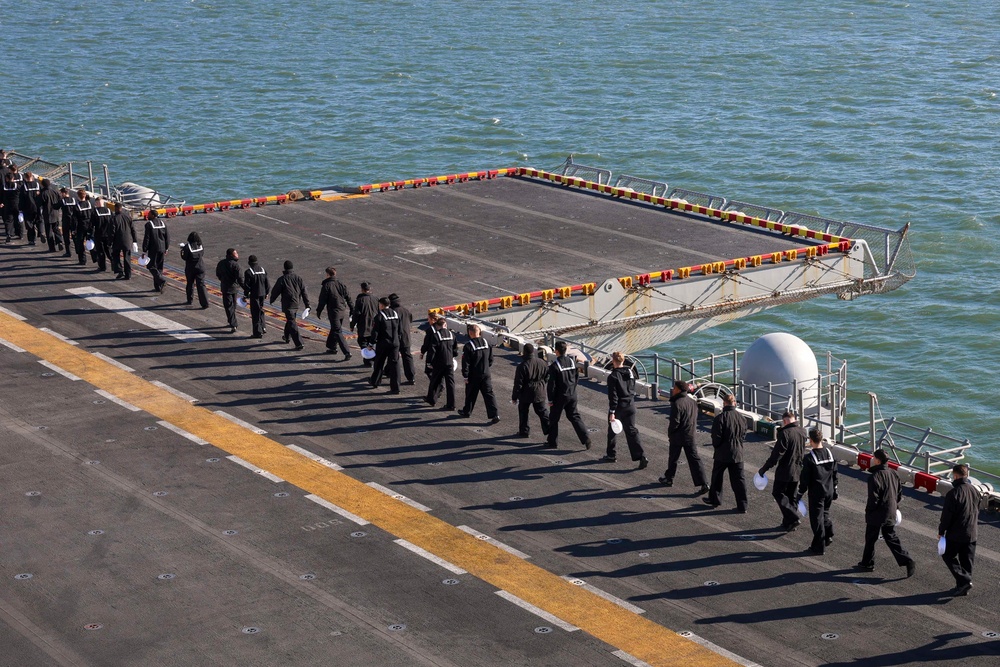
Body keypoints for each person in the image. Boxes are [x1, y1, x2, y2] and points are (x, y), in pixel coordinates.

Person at [855, 449, 915, 577]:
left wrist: (870, 511)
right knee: (890, 537)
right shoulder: (894, 473)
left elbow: (873, 498)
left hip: (877, 513)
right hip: (891, 510)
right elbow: (899, 494)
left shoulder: (874, 476)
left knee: (871, 538)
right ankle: (907, 560)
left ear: (877, 460)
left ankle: (868, 563)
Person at [758, 410, 807, 531]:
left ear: (784, 421)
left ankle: (793, 518)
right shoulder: (803, 431)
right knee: (792, 497)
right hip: (797, 469)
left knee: (778, 493)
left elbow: (777, 454)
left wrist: (764, 468)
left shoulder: (785, 433)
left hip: (785, 470)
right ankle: (788, 523)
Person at [938, 463, 981, 596]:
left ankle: (965, 581)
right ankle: (962, 586)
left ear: (955, 475)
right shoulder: (975, 490)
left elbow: (946, 516)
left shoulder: (953, 493)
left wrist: (941, 531)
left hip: (957, 533)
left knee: (947, 555)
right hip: (972, 532)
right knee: (967, 560)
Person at [659, 380, 708, 493]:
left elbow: (674, 422)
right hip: (690, 434)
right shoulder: (692, 402)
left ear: (679, 390)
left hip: (678, 436)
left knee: (673, 458)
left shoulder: (677, 403)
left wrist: (671, 433)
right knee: (694, 459)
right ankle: (704, 483)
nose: (673, 390)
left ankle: (669, 478)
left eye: (674, 388)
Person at [795, 429, 838, 555]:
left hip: (817, 493)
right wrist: (835, 488)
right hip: (829, 490)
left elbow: (805, 479)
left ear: (811, 440)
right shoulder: (830, 454)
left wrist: (800, 493)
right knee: (825, 514)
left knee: (816, 520)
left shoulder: (809, 458)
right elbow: (835, 473)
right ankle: (828, 534)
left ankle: (819, 546)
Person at [703, 393, 748, 512]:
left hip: (722, 453)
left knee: (717, 477)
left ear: (724, 403)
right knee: (739, 480)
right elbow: (743, 434)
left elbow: (716, 437)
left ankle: (715, 499)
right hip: (738, 453)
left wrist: (717, 446)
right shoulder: (742, 417)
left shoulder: (720, 418)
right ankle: (742, 505)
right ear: (735, 403)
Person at [602, 351, 648, 468]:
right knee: (631, 431)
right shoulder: (630, 372)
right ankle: (641, 456)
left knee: (612, 430)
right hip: (631, 404)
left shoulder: (612, 376)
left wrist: (612, 412)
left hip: (619, 407)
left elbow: (613, 396)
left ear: (613, 361)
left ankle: (611, 455)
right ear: (623, 361)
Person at [545, 341, 590, 449]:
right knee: (574, 416)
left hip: (560, 396)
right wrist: (572, 389)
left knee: (554, 419)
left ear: (556, 351)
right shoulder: (572, 361)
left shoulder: (554, 366)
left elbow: (551, 385)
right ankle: (586, 438)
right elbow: (576, 377)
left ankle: (553, 442)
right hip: (572, 394)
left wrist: (550, 399)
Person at [459, 324, 499, 422]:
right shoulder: (487, 343)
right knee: (489, 394)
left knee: (470, 394)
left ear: (470, 333)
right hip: (486, 373)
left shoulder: (468, 346)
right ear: (479, 332)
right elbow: (491, 359)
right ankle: (495, 415)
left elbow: (466, 363)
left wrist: (465, 375)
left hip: (474, 375)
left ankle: (467, 411)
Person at [268, 260, 308, 350]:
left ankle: (299, 343)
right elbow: (304, 292)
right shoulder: (298, 278)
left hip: (287, 304)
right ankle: (286, 337)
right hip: (296, 303)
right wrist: (307, 305)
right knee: (291, 320)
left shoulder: (282, 279)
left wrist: (272, 300)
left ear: (284, 268)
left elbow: (275, 291)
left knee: (291, 322)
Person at [511, 344, 549, 438]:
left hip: (526, 392)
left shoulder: (522, 366)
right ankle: (549, 428)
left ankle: (524, 431)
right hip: (540, 390)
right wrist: (542, 383)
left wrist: (514, 397)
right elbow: (547, 375)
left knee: (523, 411)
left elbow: (518, 384)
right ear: (533, 351)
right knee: (542, 411)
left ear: (524, 352)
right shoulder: (542, 362)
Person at [316, 267, 354, 358]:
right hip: (342, 310)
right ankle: (332, 346)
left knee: (337, 331)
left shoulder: (327, 285)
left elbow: (322, 300)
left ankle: (347, 352)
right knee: (335, 328)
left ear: (327, 274)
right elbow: (348, 297)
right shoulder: (341, 284)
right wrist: (352, 308)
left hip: (334, 312)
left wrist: (319, 311)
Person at [369, 296, 401, 392]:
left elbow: (375, 332)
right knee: (395, 366)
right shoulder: (395, 314)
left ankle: (376, 381)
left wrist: (371, 343)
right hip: (395, 343)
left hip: (383, 344)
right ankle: (396, 388)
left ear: (382, 305)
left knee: (379, 363)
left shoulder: (379, 316)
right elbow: (399, 329)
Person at [424, 317, 457, 409]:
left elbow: (432, 351)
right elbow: (455, 350)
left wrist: (429, 362)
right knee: (450, 384)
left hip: (439, 362)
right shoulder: (452, 335)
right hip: (449, 362)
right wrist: (452, 356)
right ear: (445, 325)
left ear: (438, 326)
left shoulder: (436, 335)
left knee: (435, 381)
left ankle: (432, 400)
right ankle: (451, 404)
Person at [215, 248, 245, 332]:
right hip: (234, 288)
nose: (237, 255)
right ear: (232, 255)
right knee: (233, 305)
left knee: (228, 306)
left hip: (225, 287)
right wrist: (246, 289)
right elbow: (240, 278)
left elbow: (218, 274)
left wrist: (223, 280)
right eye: (236, 253)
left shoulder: (221, 263)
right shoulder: (236, 265)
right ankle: (232, 322)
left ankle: (232, 323)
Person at [389, 293, 416, 384]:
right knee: (407, 357)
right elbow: (410, 320)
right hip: (406, 337)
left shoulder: (392, 312)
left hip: (395, 338)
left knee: (393, 357)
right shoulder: (405, 310)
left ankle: (392, 375)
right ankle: (411, 377)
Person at [350, 282, 378, 367]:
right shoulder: (375, 299)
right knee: (372, 342)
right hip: (374, 325)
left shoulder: (360, 300)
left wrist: (352, 325)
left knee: (363, 342)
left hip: (364, 325)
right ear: (370, 289)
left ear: (362, 289)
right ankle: (373, 359)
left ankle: (368, 360)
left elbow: (356, 314)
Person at [141, 209, 169, 290]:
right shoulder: (163, 223)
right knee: (159, 268)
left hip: (154, 249)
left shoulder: (149, 225)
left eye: (149, 214)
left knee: (151, 266)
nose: (147, 215)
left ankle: (161, 280)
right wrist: (166, 248)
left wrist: (144, 250)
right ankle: (158, 287)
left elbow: (147, 238)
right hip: (162, 248)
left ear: (153, 215)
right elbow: (167, 237)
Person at [243, 255, 270, 337]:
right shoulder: (263, 270)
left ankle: (257, 332)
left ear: (249, 262)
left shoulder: (248, 272)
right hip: (262, 294)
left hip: (254, 295)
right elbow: (267, 283)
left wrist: (246, 295)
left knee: (255, 313)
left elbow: (247, 286)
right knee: (261, 310)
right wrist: (267, 293)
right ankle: (263, 326)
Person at [180, 232, 209, 308]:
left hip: (190, 268)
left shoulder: (187, 247)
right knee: (201, 285)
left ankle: (190, 300)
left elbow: (184, 257)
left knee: (190, 284)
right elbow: (202, 254)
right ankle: (205, 303)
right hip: (200, 267)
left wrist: (182, 250)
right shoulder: (200, 245)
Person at [108, 203, 137, 280]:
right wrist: (134, 240)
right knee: (127, 258)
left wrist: (110, 242)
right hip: (127, 240)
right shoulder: (128, 217)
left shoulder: (113, 218)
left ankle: (119, 270)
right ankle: (128, 275)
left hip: (117, 241)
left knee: (115, 256)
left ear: (116, 208)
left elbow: (112, 232)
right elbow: (133, 230)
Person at [37, 178, 63, 253]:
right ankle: (59, 241)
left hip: (47, 214)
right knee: (56, 229)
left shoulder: (43, 193)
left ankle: (52, 248)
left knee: (49, 231)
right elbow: (60, 200)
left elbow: (39, 204)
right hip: (55, 213)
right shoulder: (55, 191)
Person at [89, 196, 113, 271]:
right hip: (108, 234)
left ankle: (102, 267)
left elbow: (91, 224)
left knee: (100, 251)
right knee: (109, 251)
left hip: (99, 234)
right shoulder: (109, 211)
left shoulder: (95, 212)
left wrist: (89, 234)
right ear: (103, 202)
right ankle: (115, 265)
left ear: (96, 203)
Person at [72, 189, 95, 265]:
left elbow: (74, 220)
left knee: (80, 244)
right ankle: (95, 257)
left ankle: (82, 260)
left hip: (81, 227)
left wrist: (73, 229)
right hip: (90, 226)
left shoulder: (77, 207)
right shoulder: (90, 205)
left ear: (78, 196)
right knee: (91, 242)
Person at [19, 172, 42, 246]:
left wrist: (20, 209)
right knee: (39, 221)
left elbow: (21, 199)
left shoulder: (24, 187)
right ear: (32, 177)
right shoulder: (38, 185)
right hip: (38, 207)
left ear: (25, 178)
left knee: (30, 224)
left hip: (28, 208)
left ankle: (31, 240)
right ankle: (41, 233)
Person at [419, 312, 441, 377]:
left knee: (429, 371)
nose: (428, 320)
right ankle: (440, 386)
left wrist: (422, 352)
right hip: (441, 352)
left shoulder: (430, 330)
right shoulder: (441, 328)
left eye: (429, 319)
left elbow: (426, 343)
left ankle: (437, 385)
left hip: (432, 354)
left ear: (433, 319)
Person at [1, 172, 20, 242]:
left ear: (6, 179)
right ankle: (19, 233)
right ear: (13, 178)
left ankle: (8, 234)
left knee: (8, 220)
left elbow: (1, 196)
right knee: (18, 219)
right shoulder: (17, 186)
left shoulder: (4, 186)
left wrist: (1, 203)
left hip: (7, 205)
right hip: (16, 204)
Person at [57, 187, 76, 256]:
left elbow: (56, 206)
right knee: (74, 235)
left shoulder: (62, 201)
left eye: (61, 194)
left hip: (66, 220)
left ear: (64, 193)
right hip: (73, 220)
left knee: (66, 236)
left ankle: (68, 252)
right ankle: (77, 249)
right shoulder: (73, 200)